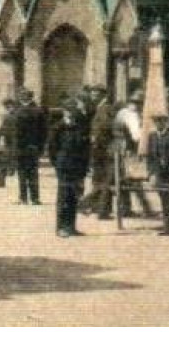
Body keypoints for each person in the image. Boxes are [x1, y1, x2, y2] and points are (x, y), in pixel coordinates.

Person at [48, 104, 91, 237]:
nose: (71, 116)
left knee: (74, 196)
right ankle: (60, 227)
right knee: (63, 197)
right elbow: (52, 149)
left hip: (78, 166)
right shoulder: (57, 128)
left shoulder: (79, 128)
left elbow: (85, 148)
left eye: (73, 114)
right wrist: (57, 164)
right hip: (64, 166)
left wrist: (85, 166)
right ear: (64, 113)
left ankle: (71, 227)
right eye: (69, 113)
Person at [13, 90, 48, 205]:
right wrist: (41, 147)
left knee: (22, 172)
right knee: (33, 173)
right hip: (34, 147)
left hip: (21, 148)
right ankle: (35, 198)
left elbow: (15, 132)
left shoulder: (18, 112)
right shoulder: (39, 111)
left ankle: (23, 198)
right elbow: (44, 132)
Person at [86, 89, 116, 219]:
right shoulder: (100, 108)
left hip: (103, 149)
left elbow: (105, 127)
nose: (93, 97)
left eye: (96, 94)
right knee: (100, 179)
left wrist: (95, 139)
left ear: (103, 95)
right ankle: (98, 208)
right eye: (92, 94)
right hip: (101, 149)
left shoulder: (104, 108)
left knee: (103, 180)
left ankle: (100, 209)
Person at [0, 98, 18, 189]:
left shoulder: (9, 116)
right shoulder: (14, 115)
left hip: (11, 142)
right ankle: (2, 180)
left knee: (4, 162)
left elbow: (2, 129)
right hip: (13, 142)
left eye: (8, 106)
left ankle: (2, 181)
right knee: (6, 162)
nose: (8, 108)